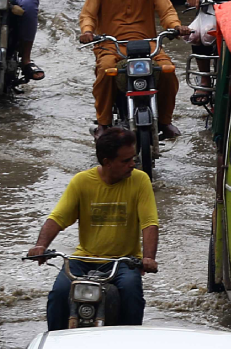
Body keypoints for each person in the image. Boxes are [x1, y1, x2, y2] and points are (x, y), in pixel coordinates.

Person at [27, 127, 160, 331]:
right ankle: (54, 346)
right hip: (83, 260)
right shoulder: (81, 182)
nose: (132, 164)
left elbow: (149, 222)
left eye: (133, 158)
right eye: (125, 161)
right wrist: (40, 245)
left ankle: (132, 345)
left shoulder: (140, 180)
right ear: (107, 162)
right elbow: (57, 218)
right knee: (59, 293)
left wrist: (148, 258)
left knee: (132, 292)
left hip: (124, 262)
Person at [78, 0, 189, 139]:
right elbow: (88, 14)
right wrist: (87, 31)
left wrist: (176, 26)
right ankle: (103, 123)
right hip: (110, 45)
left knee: (168, 72)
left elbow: (166, 10)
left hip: (148, 45)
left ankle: (165, 121)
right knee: (104, 71)